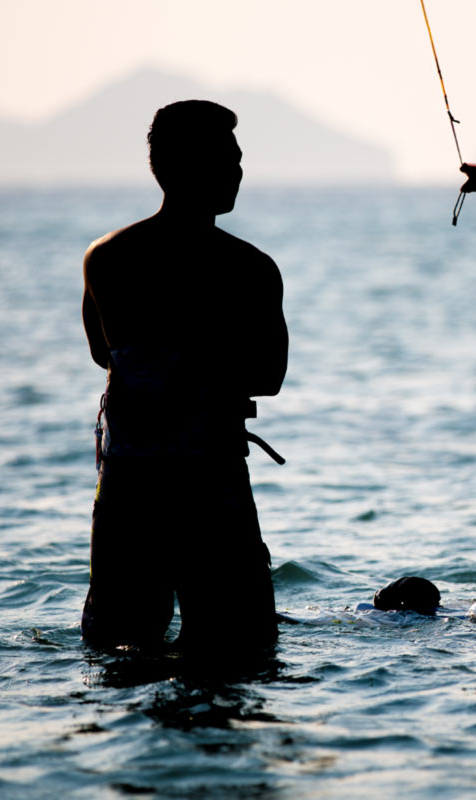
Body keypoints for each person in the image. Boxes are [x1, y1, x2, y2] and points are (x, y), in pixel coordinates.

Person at [81, 100, 288, 656]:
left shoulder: (106, 258)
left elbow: (104, 353)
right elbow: (269, 376)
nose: (237, 173)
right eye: (225, 160)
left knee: (118, 652)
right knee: (240, 652)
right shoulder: (251, 268)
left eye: (239, 160)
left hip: (129, 486)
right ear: (178, 167)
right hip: (211, 483)